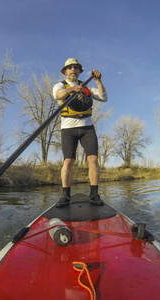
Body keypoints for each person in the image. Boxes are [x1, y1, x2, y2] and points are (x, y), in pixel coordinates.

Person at [53, 58, 108, 207]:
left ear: (79, 71)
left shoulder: (86, 87)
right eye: (70, 67)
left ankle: (94, 194)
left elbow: (103, 97)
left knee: (92, 159)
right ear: (65, 71)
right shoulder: (60, 85)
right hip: (68, 128)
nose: (73, 69)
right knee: (68, 161)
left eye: (76, 67)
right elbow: (58, 95)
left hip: (87, 127)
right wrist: (72, 89)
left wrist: (98, 81)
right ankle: (65, 196)